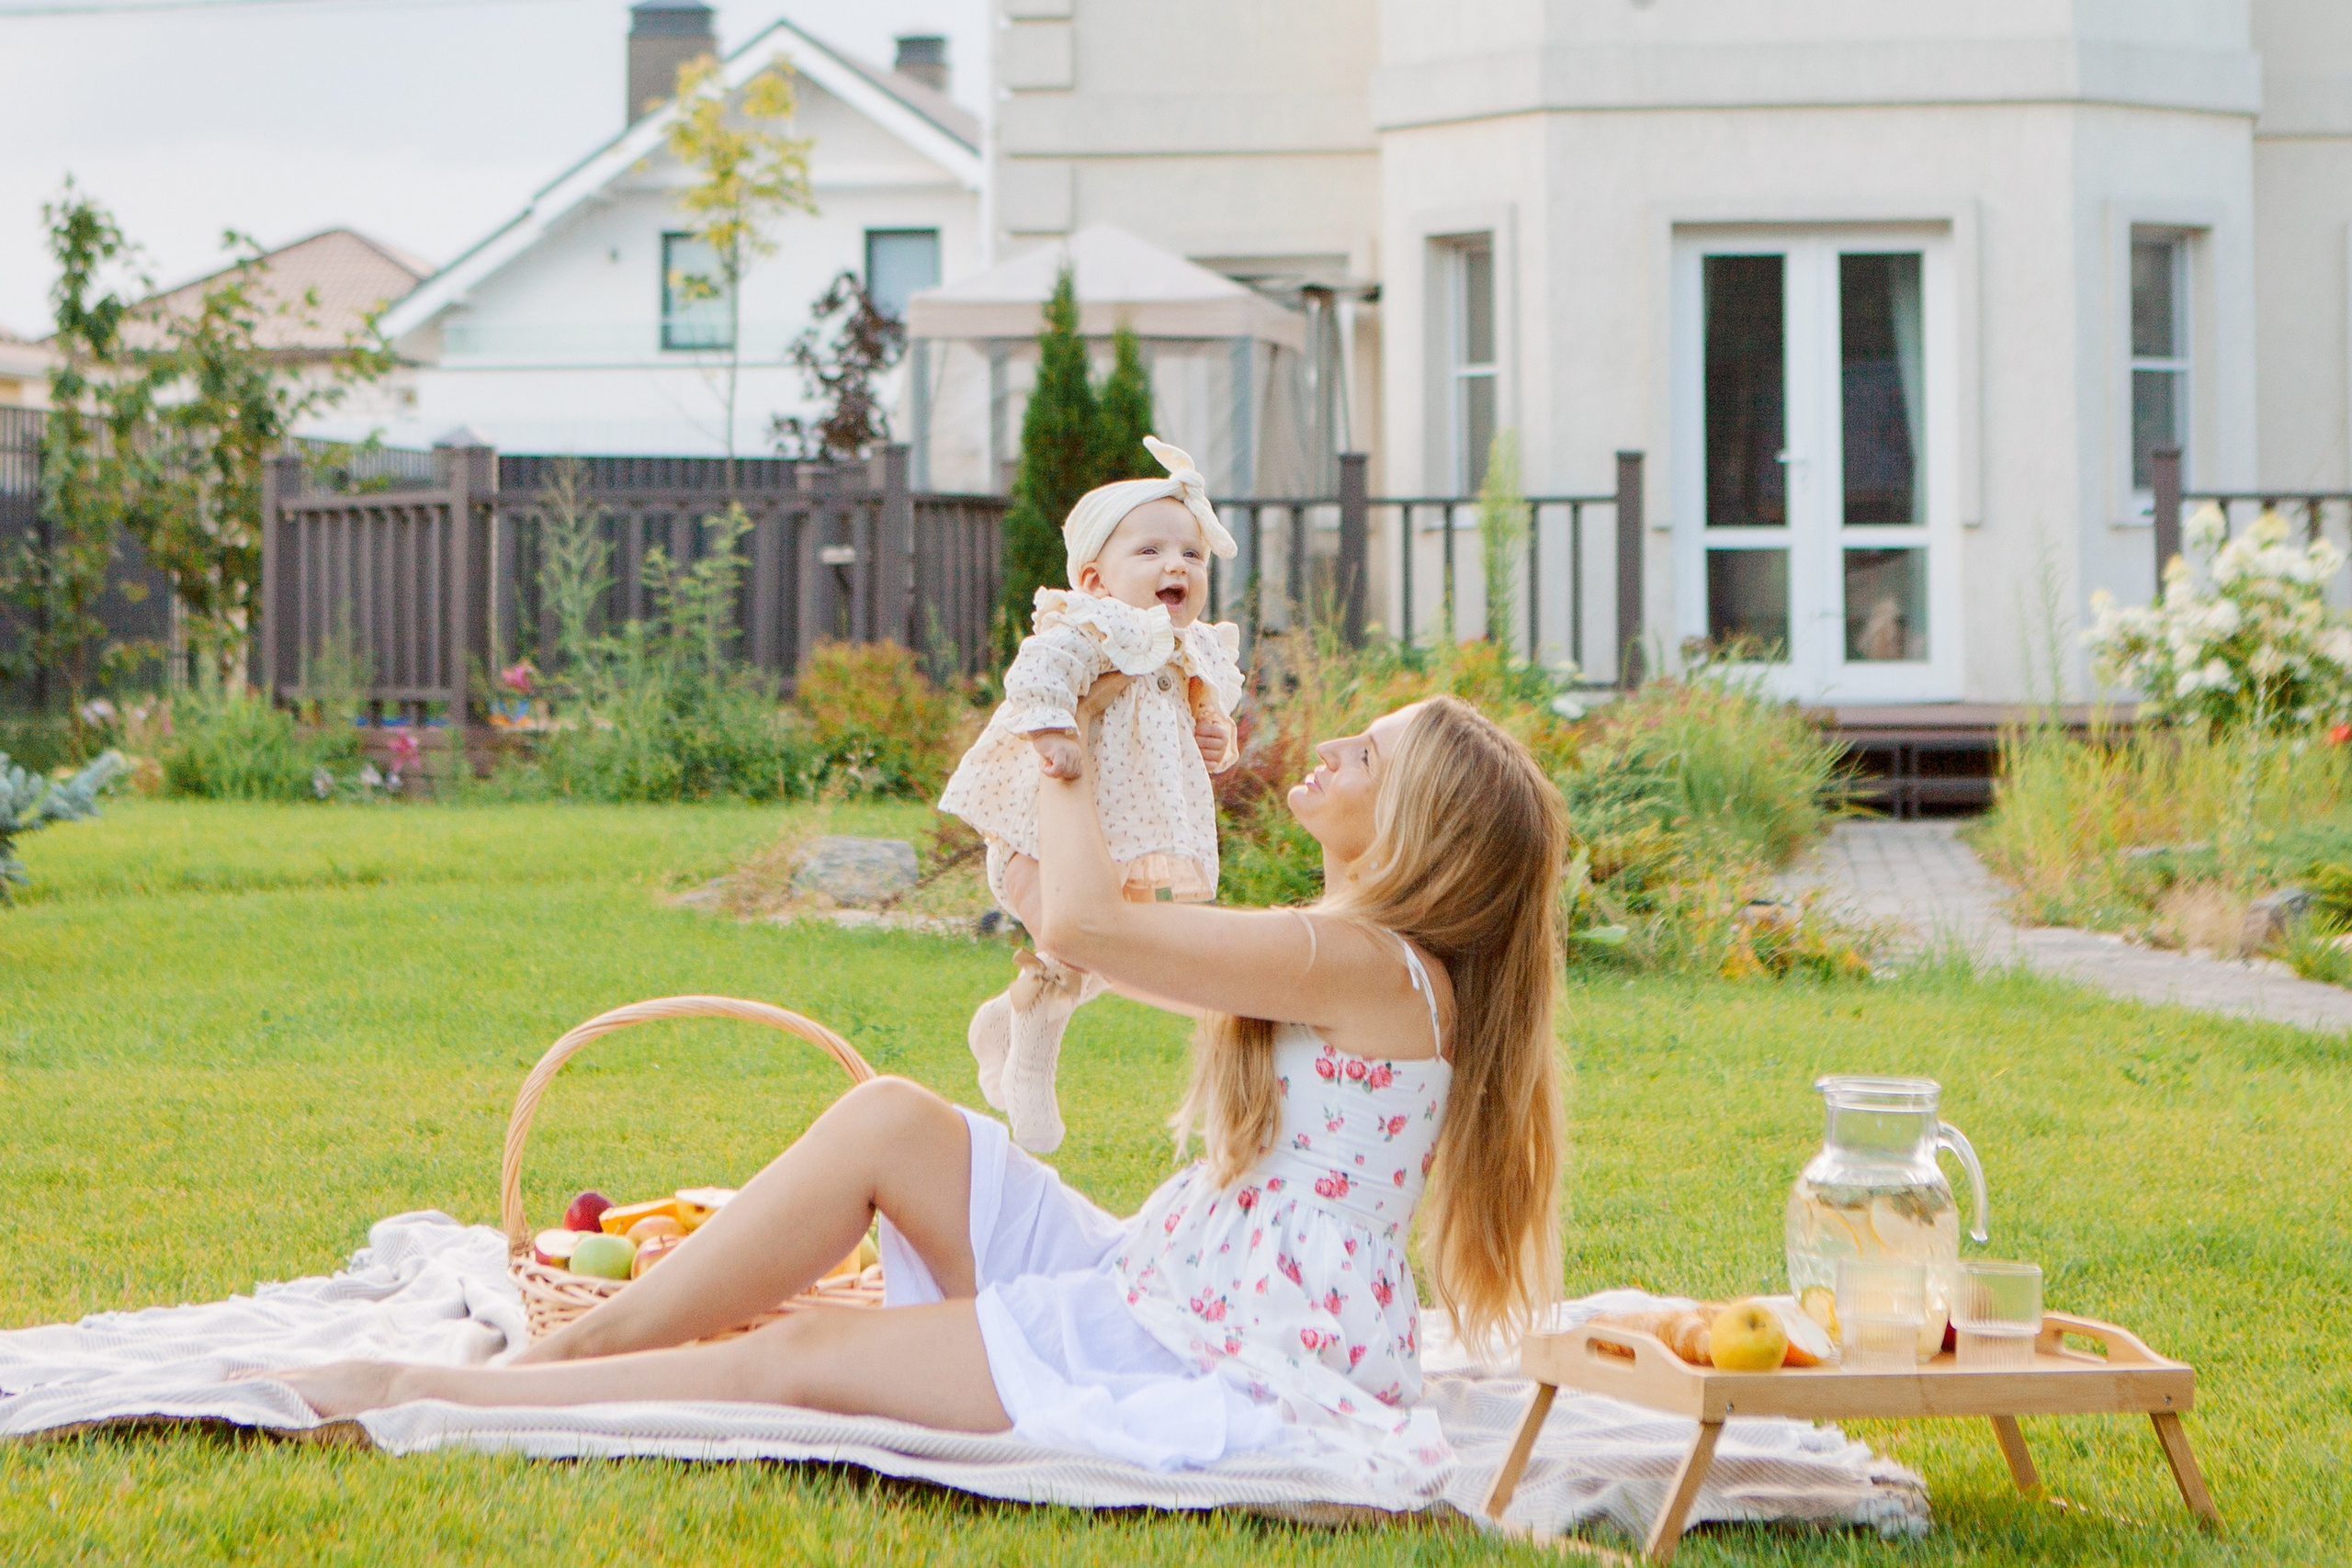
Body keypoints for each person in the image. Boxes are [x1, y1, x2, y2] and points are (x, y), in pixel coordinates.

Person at [273, 689, 1566, 1495]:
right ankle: (582, 1345)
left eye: (1371, 755)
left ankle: (431, 1396)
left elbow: (1089, 920)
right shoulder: (1347, 957)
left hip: (1222, 1339)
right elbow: (1045, 903)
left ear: (1419, 832)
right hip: (1176, 1277)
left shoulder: (1357, 962)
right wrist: (1100, 730)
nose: (1334, 743)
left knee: (801, 1356)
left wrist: (1069, 763)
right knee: (894, 1113)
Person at [939, 434, 1243, 1153]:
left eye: (1192, 555)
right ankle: (1031, 1070)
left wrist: (1216, 742)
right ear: (1096, 579)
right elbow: (1037, 674)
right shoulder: (1091, 626)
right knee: (1068, 937)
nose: (1177, 564)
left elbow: (1213, 714)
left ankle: (1006, 1022)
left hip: (1128, 840)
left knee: (1119, 947)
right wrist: (1052, 731)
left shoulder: (1192, 646)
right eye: (1151, 551)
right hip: (1041, 825)